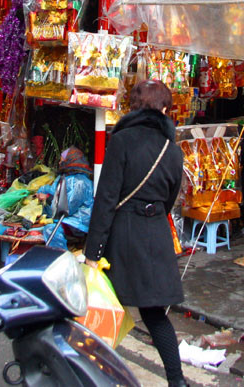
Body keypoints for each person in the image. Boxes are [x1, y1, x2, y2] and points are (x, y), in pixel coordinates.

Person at [85, 80, 188, 387]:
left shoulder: (122, 140)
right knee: (154, 311)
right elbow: (170, 199)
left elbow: (106, 199)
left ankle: (91, 371)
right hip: (155, 233)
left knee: (103, 304)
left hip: (124, 234)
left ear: (133, 107)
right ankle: (177, 380)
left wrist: (93, 252)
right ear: (165, 110)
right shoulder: (173, 151)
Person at [37, 146, 94, 250]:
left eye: (61, 160)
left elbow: (68, 208)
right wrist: (42, 191)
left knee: (50, 229)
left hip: (77, 223)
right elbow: (53, 190)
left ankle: (60, 258)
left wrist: (48, 198)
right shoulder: (63, 177)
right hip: (65, 220)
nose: (59, 163)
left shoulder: (80, 182)